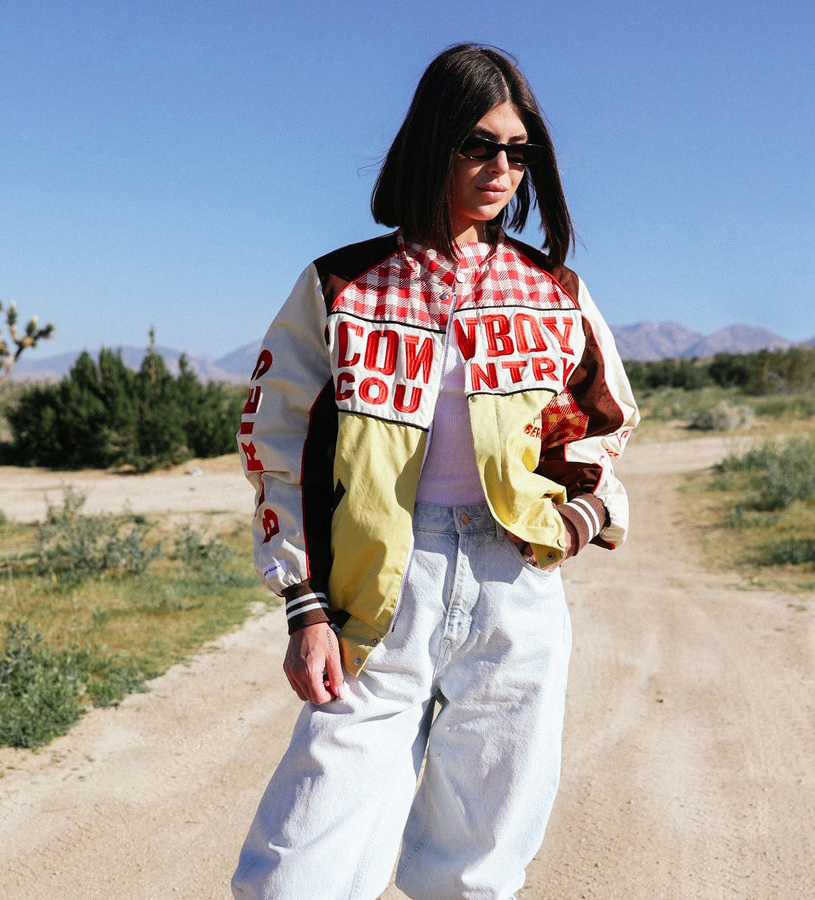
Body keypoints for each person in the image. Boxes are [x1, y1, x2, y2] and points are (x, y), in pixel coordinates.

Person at [232, 43, 639, 900]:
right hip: (382, 587)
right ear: (432, 143)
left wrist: (576, 516)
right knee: (298, 868)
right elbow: (275, 443)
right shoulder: (342, 286)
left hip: (514, 587)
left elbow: (603, 419)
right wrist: (304, 604)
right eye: (478, 145)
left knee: (477, 866)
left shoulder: (554, 290)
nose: (502, 168)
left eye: (519, 151)